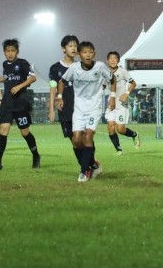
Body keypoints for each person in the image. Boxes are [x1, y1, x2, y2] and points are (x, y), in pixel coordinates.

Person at [58, 41, 114, 182]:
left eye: (90, 52)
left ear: (94, 53)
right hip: (78, 110)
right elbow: (61, 81)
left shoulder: (100, 66)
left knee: (88, 136)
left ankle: (84, 172)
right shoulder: (74, 68)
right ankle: (93, 165)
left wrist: (112, 97)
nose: (87, 55)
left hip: (94, 109)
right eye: (84, 52)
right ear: (79, 54)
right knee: (76, 140)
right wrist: (59, 97)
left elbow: (113, 79)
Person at [0, 39, 40, 171]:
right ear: (4, 52)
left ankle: (36, 155)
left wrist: (18, 87)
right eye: (7, 51)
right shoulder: (5, 64)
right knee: (2, 132)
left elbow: (33, 78)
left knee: (25, 132)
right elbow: (7, 77)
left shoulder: (22, 63)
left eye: (13, 50)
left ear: (17, 51)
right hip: (7, 104)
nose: (10, 53)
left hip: (20, 104)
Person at [48, 35, 95, 172]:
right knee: (75, 141)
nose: (73, 48)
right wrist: (51, 109)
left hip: (82, 108)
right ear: (63, 49)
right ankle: (89, 165)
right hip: (66, 109)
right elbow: (53, 89)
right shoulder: (55, 68)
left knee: (85, 137)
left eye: (75, 45)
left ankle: (87, 167)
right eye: (70, 45)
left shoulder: (83, 66)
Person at [105, 51, 141, 155]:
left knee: (120, 129)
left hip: (121, 104)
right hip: (111, 103)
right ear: (107, 61)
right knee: (110, 127)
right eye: (110, 58)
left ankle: (134, 134)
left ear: (118, 60)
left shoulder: (122, 71)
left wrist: (126, 93)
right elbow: (103, 86)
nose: (112, 60)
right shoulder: (105, 73)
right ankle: (119, 150)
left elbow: (133, 83)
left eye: (115, 58)